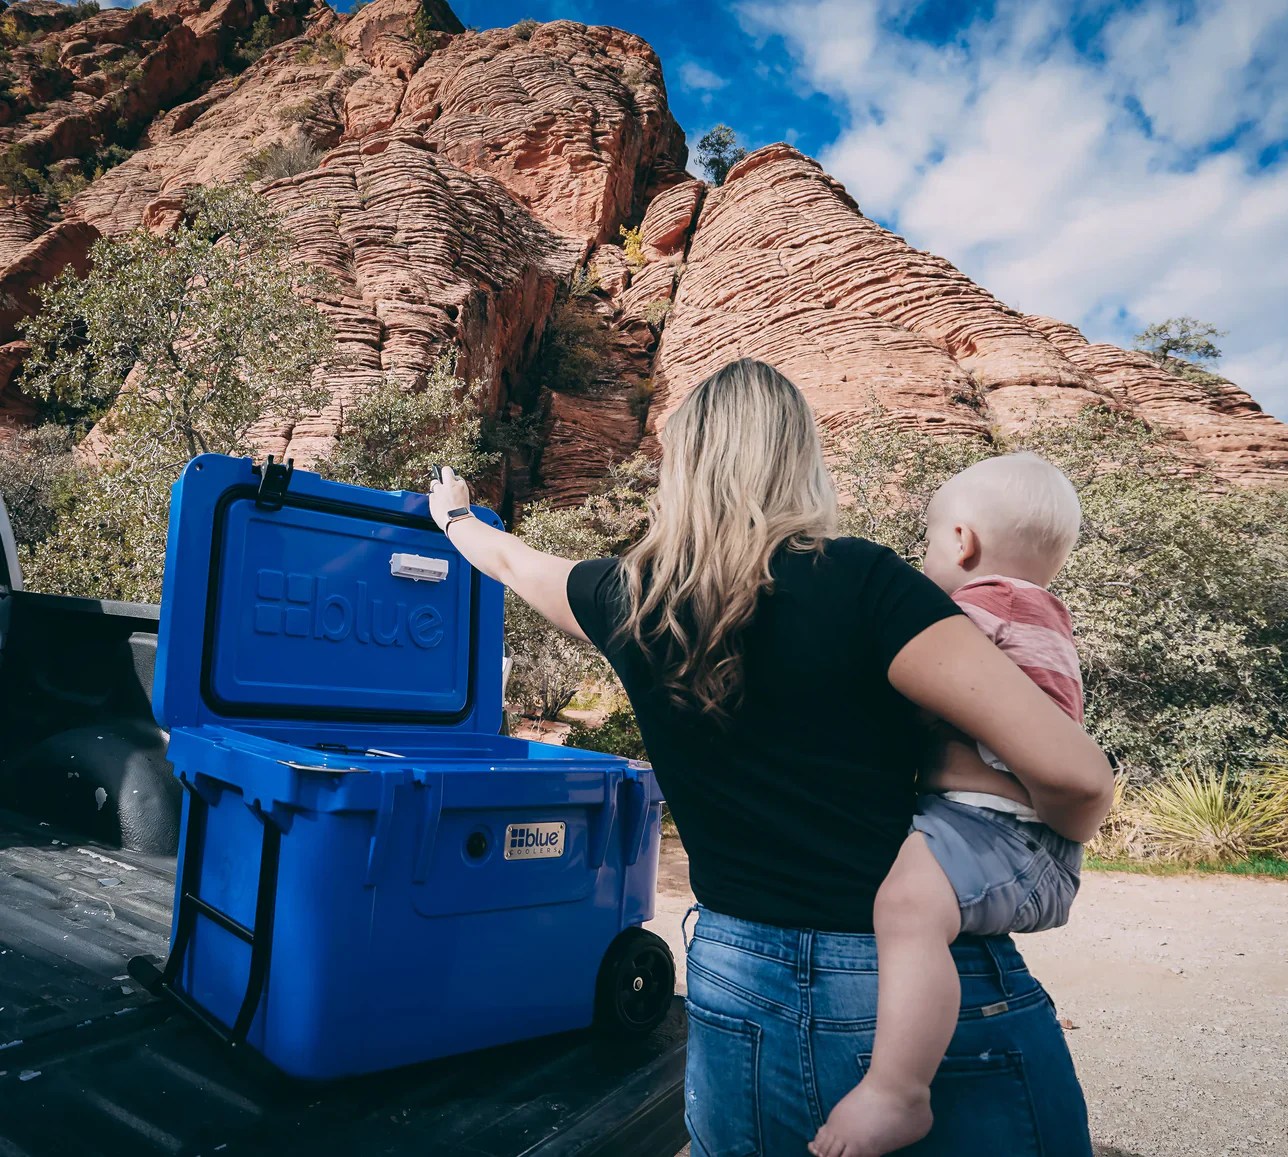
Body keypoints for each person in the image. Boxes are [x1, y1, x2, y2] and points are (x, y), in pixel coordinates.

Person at [428, 358, 1113, 1156]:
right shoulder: (867, 585)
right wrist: (1049, 845)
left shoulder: (630, 598)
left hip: (736, 979)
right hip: (900, 993)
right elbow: (1075, 774)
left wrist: (455, 519)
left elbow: (512, 562)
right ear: (798, 458)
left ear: (684, 465)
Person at [814, 453, 1089, 1157]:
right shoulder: (1036, 608)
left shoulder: (981, 607)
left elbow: (897, 675)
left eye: (929, 544)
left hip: (996, 828)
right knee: (909, 906)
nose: (924, 561)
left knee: (907, 910)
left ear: (961, 541)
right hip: (998, 827)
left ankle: (898, 1090)